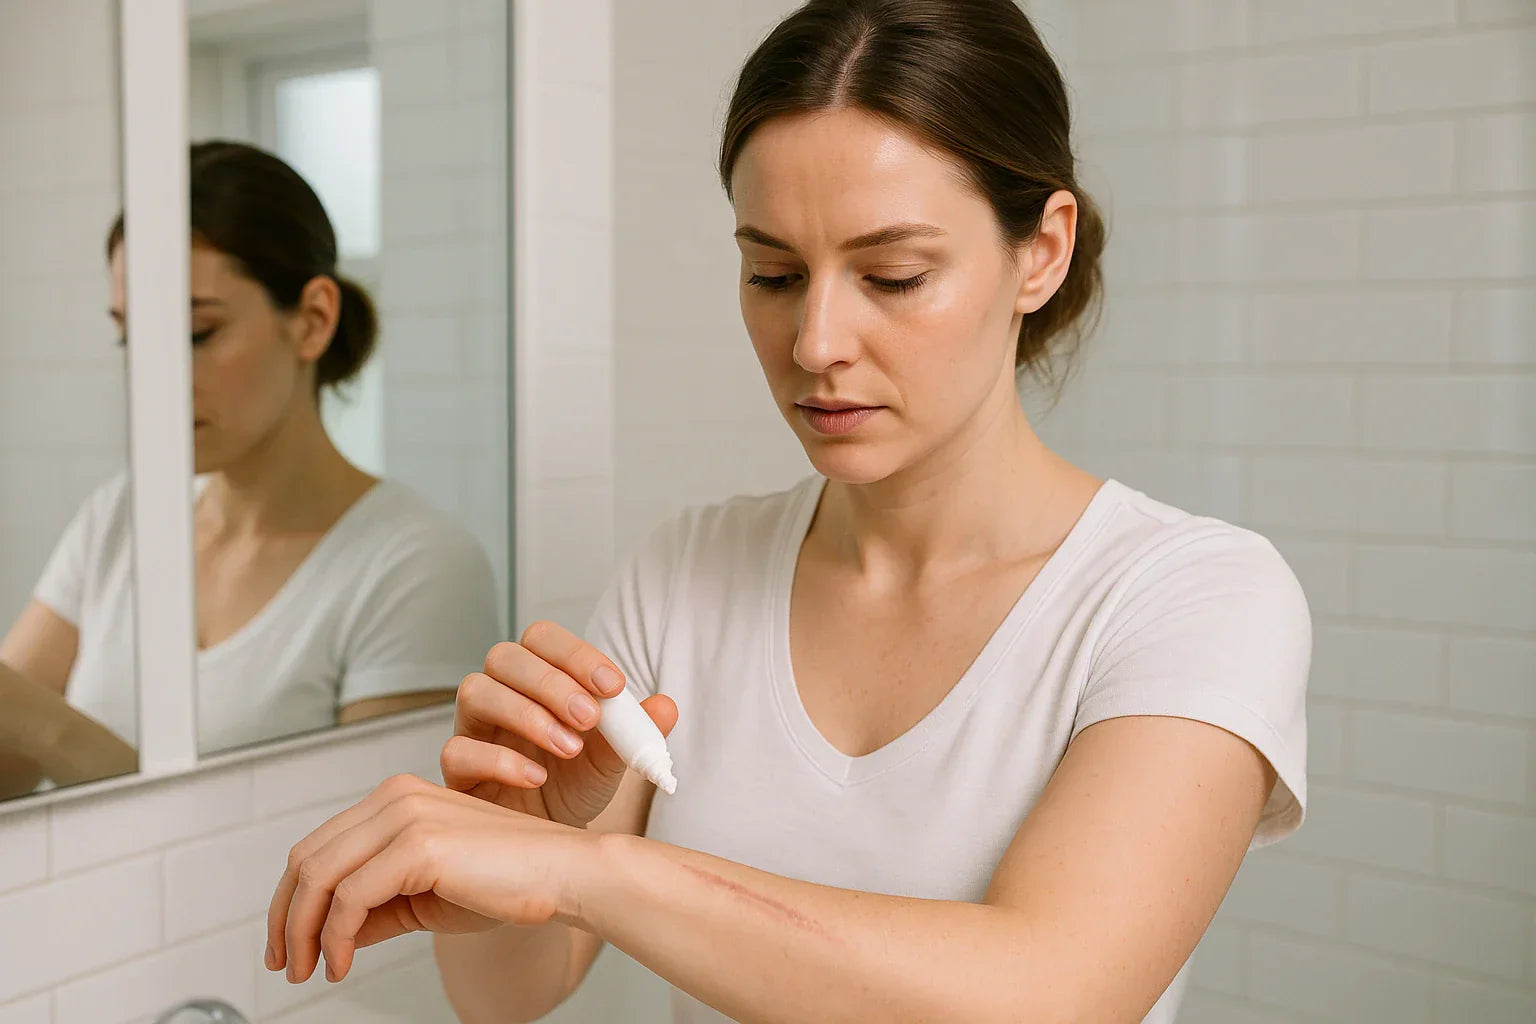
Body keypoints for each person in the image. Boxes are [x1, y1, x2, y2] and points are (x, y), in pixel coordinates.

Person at [266, 3, 1310, 1022]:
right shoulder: (686, 571)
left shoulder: (1191, 595)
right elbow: (507, 1000)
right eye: (772, 271)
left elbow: (1051, 992)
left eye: (893, 275)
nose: (815, 341)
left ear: (1041, 251)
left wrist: (589, 868)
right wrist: (517, 841)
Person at [0, 141, 501, 791]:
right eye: (132, 337)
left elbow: (370, 864)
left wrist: (52, 730)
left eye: (194, 335)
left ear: (314, 320)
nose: (153, 376)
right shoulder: (120, 517)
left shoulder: (418, 566)